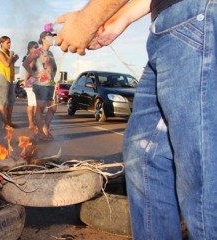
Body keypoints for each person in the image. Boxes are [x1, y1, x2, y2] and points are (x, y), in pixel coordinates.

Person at [56, 0, 217, 239]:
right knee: (144, 154)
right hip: (173, 26)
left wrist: (86, 20)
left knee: (201, 178)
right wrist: (118, 20)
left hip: (195, 17)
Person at [23, 32, 57, 141]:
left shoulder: (50, 53)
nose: (51, 39)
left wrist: (52, 74)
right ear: (43, 39)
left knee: (53, 108)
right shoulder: (38, 51)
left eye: (52, 37)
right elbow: (26, 63)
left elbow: (53, 67)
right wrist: (33, 74)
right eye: (49, 37)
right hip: (40, 85)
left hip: (50, 84)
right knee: (40, 107)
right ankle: (40, 132)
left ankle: (46, 128)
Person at [0, 36, 19, 129]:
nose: (9, 44)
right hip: (2, 77)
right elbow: (7, 64)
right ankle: (4, 124)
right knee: (3, 100)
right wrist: (11, 55)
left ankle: (9, 121)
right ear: (1, 43)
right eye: (7, 42)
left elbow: (11, 64)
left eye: (10, 42)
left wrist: (14, 59)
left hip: (10, 78)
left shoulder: (8, 53)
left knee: (12, 100)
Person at [22, 41, 39, 132]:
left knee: (31, 104)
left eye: (37, 47)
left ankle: (31, 123)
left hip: (29, 83)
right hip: (33, 82)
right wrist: (25, 80)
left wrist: (25, 81)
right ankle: (35, 123)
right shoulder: (32, 57)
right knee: (36, 104)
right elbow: (28, 70)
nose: (37, 48)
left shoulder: (26, 56)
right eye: (35, 47)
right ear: (30, 48)